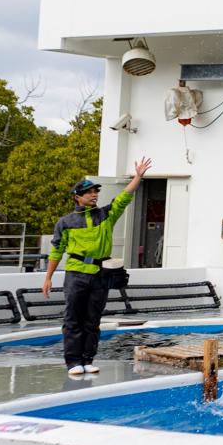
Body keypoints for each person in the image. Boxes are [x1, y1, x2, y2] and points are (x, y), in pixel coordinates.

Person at [42, 158, 152, 377]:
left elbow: (124, 198)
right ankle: (73, 361)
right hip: (76, 274)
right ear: (77, 197)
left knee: (93, 320)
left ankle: (87, 359)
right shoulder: (65, 222)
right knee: (73, 319)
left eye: (95, 192)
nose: (94, 195)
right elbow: (56, 250)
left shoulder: (105, 215)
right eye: (89, 192)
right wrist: (48, 277)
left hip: (100, 275)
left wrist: (138, 177)